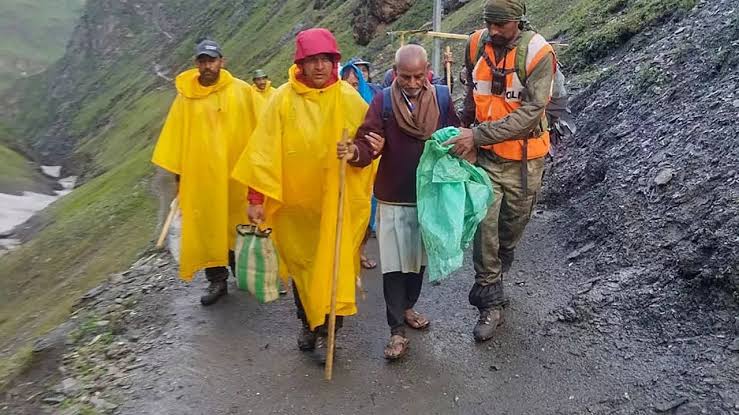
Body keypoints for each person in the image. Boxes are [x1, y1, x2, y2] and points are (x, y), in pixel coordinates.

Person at [231, 28, 374, 363]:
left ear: (335, 62)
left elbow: (371, 142)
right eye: (312, 61)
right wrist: (255, 201)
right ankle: (307, 323)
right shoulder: (282, 99)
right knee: (301, 267)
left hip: (335, 203)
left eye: (326, 60)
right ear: (300, 64)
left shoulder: (348, 98)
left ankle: (330, 331)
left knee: (334, 265)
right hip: (295, 206)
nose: (320, 67)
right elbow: (262, 153)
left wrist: (355, 150)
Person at [445, 0, 556, 342]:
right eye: (489, 24)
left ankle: (498, 271)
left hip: (525, 161)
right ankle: (489, 298)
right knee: (485, 227)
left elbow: (530, 114)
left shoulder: (539, 54)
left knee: (511, 228)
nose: (493, 31)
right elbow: (471, 93)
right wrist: (463, 129)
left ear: (518, 22)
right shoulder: (475, 43)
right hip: (485, 160)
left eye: (501, 25)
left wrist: (476, 134)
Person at [340, 44, 461, 359]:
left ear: (427, 74)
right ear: (395, 73)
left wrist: (458, 145)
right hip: (392, 197)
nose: (411, 82)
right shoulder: (383, 102)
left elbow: (457, 134)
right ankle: (396, 331)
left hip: (428, 196)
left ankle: (408, 306)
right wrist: (357, 152)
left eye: (418, 76)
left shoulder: (442, 98)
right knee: (393, 267)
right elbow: (367, 142)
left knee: (417, 262)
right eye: (405, 76)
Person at [151, 39, 262, 305]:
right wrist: (180, 180)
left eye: (211, 60)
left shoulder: (242, 91)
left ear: (222, 62)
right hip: (201, 178)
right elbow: (176, 138)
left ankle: (245, 274)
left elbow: (262, 129)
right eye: (202, 61)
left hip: (236, 175)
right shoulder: (186, 98)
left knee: (238, 223)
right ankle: (217, 280)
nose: (207, 66)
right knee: (207, 228)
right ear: (197, 64)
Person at [339, 60, 380, 270]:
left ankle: (359, 253)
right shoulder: (336, 105)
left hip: (367, 173)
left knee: (365, 218)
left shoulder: (372, 104)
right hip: (343, 176)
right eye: (346, 83)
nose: (351, 88)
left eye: (355, 84)